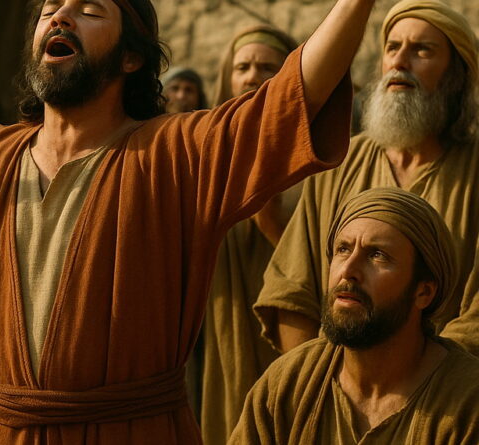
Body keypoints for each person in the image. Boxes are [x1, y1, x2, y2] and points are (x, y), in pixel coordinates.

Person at [0, 0, 371, 442]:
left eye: (87, 10)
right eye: (50, 8)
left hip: (132, 434)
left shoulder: (179, 155)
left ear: (132, 55)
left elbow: (293, 96)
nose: (59, 17)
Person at [256, 0, 479, 357]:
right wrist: (321, 386)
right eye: (392, 47)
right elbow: (292, 291)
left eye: (422, 50)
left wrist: (420, 387)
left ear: (456, 74)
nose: (400, 62)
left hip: (447, 396)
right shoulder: (338, 162)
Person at [229, 188, 479, 444]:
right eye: (343, 249)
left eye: (377, 255)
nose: (348, 270)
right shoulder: (288, 384)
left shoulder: (467, 404)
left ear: (423, 292)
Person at [195, 25, 297, 445]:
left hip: (290, 323)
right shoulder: (203, 150)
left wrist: (267, 213)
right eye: (243, 66)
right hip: (220, 322)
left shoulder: (318, 153)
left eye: (266, 67)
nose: (252, 76)